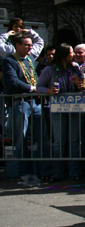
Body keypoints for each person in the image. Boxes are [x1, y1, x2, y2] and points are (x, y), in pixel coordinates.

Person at [3, 32, 48, 183]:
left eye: (31, 45)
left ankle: (43, 170)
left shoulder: (29, 60)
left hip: (34, 103)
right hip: (20, 103)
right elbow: (12, 81)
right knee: (21, 138)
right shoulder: (9, 61)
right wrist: (32, 89)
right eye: (27, 45)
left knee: (42, 136)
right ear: (17, 46)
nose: (30, 47)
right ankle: (24, 172)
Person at [36, 43, 85, 181]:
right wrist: (48, 91)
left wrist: (79, 84)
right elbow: (39, 86)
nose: (73, 55)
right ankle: (58, 172)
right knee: (59, 141)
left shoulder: (75, 68)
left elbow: (83, 86)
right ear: (64, 54)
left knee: (74, 140)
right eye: (71, 53)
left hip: (74, 108)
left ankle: (74, 172)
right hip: (58, 109)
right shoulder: (49, 69)